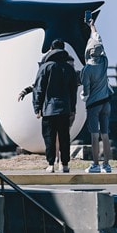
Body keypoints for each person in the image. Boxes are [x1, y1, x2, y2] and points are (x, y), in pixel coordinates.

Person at [31, 39, 78, 173]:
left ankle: (51, 164)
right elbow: (73, 91)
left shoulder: (45, 67)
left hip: (48, 109)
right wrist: (73, 109)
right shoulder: (69, 68)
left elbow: (38, 89)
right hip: (65, 109)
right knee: (64, 137)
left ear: (51, 49)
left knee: (49, 137)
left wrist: (37, 107)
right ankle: (65, 165)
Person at [80, 20, 113, 173]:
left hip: (94, 104)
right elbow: (98, 39)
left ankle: (95, 164)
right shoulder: (105, 61)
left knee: (94, 135)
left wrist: (82, 96)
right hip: (107, 103)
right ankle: (107, 164)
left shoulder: (87, 69)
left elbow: (85, 92)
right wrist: (92, 26)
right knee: (105, 135)